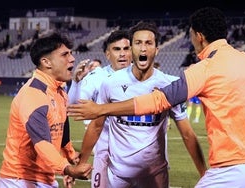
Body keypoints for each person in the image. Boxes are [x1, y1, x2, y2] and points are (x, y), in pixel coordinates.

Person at [67, 7, 245, 187]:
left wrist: (101, 109)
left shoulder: (204, 69)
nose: (143, 49)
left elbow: (158, 100)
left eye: (191, 35)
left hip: (230, 167)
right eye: (137, 43)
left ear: (199, 36)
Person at [69, 21, 206, 187]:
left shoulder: (170, 85)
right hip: (118, 175)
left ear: (156, 50)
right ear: (131, 48)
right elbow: (96, 127)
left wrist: (204, 173)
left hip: (154, 175)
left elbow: (187, 134)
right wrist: (81, 164)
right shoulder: (111, 83)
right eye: (138, 43)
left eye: (148, 43)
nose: (142, 48)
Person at [0, 32, 92, 188]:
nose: (72, 58)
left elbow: (62, 130)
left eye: (71, 53)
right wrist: (68, 169)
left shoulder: (59, 90)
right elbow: (42, 143)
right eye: (65, 54)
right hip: (20, 179)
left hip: (44, 178)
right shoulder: (33, 94)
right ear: (46, 62)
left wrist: (69, 156)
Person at [68, 29, 132, 188]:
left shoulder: (145, 78)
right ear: (107, 54)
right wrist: (76, 84)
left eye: (126, 49)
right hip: (105, 152)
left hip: (136, 153)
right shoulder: (98, 77)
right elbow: (74, 105)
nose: (122, 54)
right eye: (117, 49)